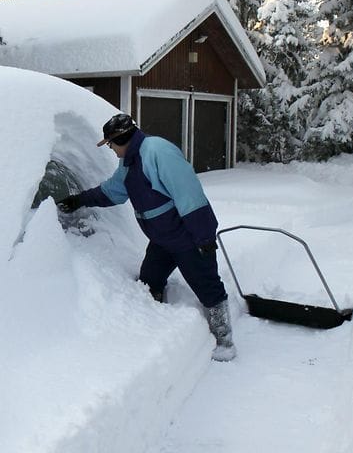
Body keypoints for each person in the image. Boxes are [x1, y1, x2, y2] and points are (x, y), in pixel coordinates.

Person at [56, 113, 236, 362]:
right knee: (150, 280)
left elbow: (188, 193)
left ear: (121, 139)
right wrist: (79, 200)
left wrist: (204, 236)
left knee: (207, 285)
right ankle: (158, 328)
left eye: (110, 144)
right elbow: (114, 192)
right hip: (161, 240)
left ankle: (224, 341)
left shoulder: (157, 152)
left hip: (186, 237)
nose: (111, 149)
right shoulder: (130, 162)